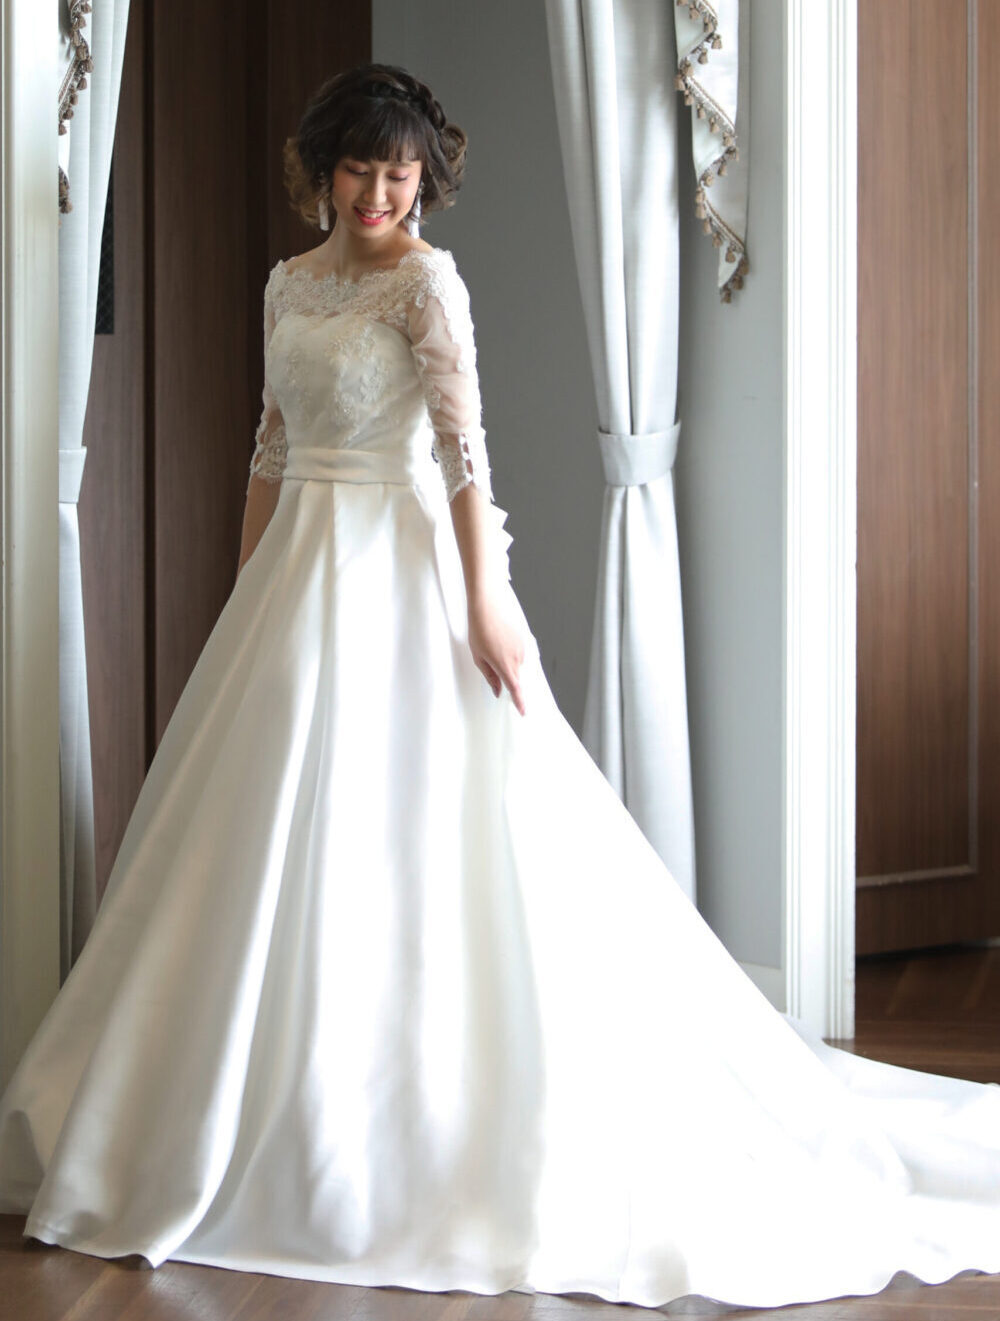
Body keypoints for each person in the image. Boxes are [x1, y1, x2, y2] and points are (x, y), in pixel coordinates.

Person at [0, 62, 998, 1314]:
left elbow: (466, 452)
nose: (380, 193)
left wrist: (485, 601)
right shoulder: (287, 283)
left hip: (403, 568)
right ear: (322, 171)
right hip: (297, 578)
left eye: (400, 172)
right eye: (360, 169)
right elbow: (271, 440)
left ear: (426, 177)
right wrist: (243, 588)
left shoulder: (429, 282)